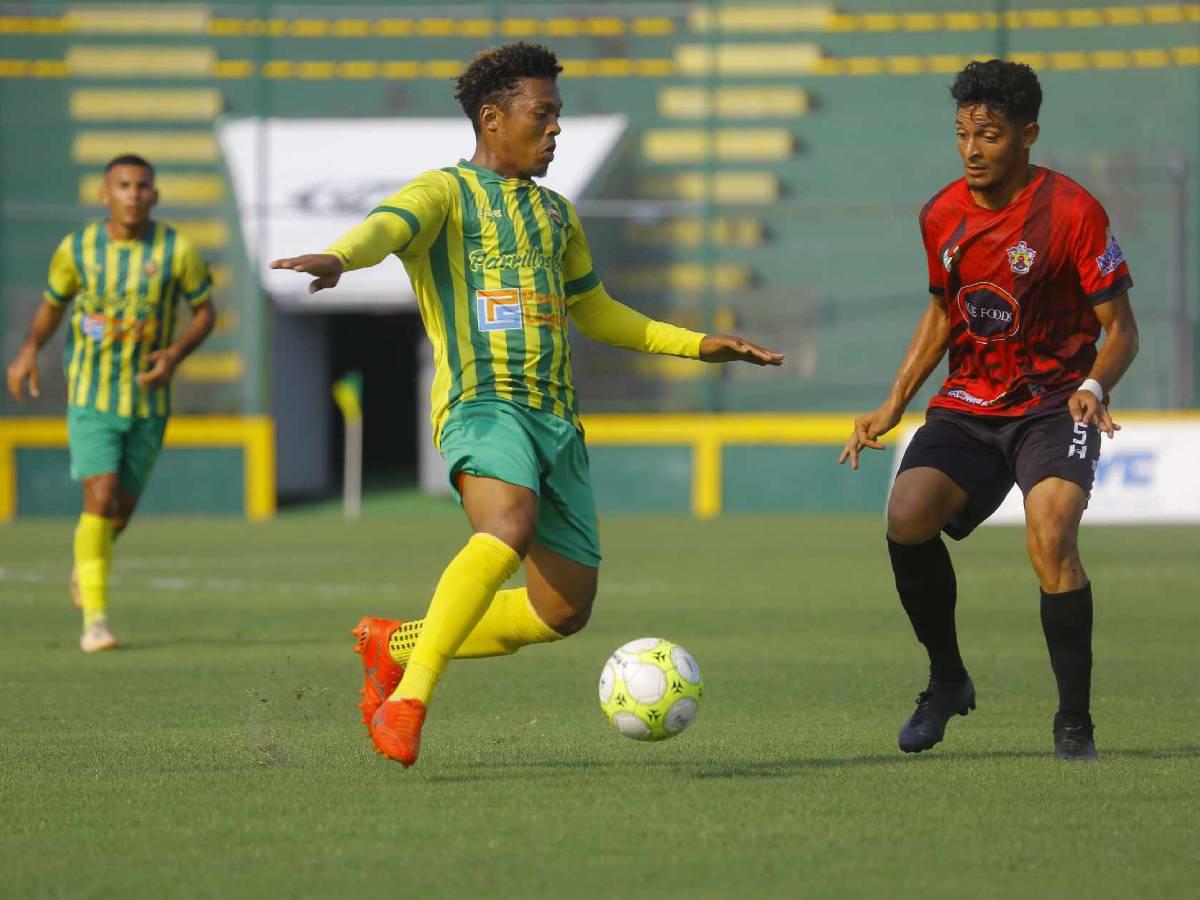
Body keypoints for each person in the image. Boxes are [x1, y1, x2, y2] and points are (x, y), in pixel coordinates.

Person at [272, 42, 784, 767]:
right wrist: (341, 256)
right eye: (541, 115)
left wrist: (697, 344)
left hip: (556, 422)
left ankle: (395, 645)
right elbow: (386, 228)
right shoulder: (444, 193)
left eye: (558, 116)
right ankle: (410, 699)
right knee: (507, 525)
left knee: (563, 611)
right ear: (492, 118)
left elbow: (599, 312)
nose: (555, 129)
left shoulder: (557, 215)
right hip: (483, 405)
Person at [840, 60, 1138, 762]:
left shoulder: (1072, 212)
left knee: (1052, 535)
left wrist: (1094, 386)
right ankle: (947, 681)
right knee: (907, 516)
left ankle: (1074, 725)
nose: (973, 149)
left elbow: (1121, 329)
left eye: (991, 134)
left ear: (1028, 136)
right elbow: (944, 311)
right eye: (963, 134)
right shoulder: (941, 215)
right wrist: (893, 403)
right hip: (971, 403)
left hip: (1053, 402)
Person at [5, 154, 216, 652]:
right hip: (92, 397)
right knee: (98, 496)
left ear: (155, 195)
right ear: (105, 194)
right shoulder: (76, 249)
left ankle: (87, 561)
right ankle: (95, 622)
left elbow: (205, 312)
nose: (133, 194)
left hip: (148, 400)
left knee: (119, 511)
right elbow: (52, 305)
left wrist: (175, 354)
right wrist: (30, 348)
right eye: (122, 185)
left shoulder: (176, 251)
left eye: (143, 186)